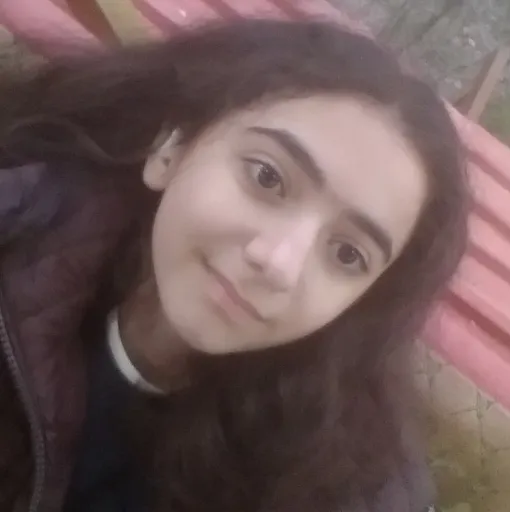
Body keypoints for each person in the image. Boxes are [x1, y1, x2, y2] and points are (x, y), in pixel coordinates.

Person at [0, 18, 467, 512]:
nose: (279, 263)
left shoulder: (344, 485)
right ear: (172, 148)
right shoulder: (17, 227)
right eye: (267, 177)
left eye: (348, 254)